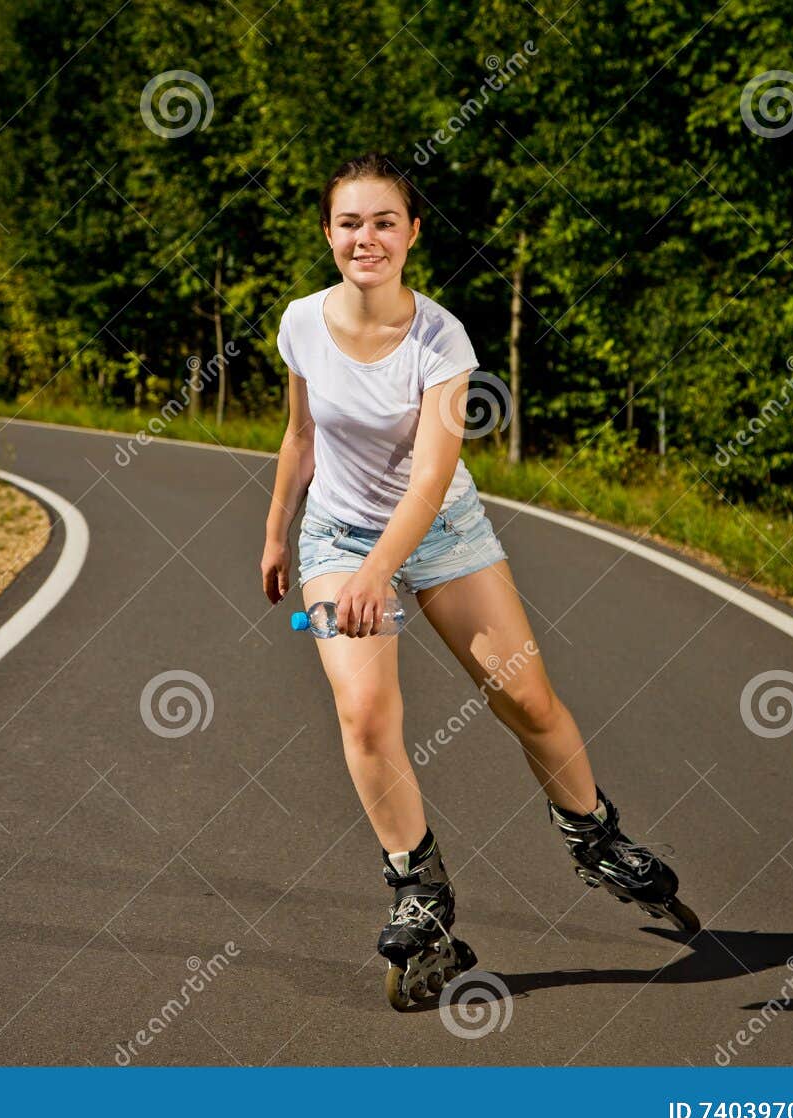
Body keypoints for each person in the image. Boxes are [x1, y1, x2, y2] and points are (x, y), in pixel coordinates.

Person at [260, 152, 697, 1010]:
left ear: (413, 233)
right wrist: (279, 534)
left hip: (440, 531)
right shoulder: (301, 323)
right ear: (327, 233)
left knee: (525, 699)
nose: (367, 238)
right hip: (338, 535)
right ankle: (418, 889)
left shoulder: (440, 338)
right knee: (364, 711)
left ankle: (592, 833)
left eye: (385, 221)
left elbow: (429, 477)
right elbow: (300, 437)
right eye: (350, 222)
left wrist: (383, 571)